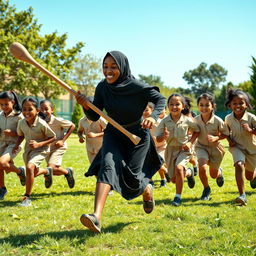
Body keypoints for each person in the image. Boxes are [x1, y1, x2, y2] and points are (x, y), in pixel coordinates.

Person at [75, 51, 166, 233]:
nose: (108, 70)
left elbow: (160, 99)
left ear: (122, 67)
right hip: (114, 134)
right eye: (105, 66)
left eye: (113, 67)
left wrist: (154, 117)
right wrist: (85, 106)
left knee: (133, 179)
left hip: (137, 136)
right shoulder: (102, 87)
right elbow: (95, 114)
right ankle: (96, 217)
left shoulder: (136, 86)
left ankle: (147, 188)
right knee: (107, 166)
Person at [156, 93, 199, 206]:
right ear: (168, 106)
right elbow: (159, 139)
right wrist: (164, 136)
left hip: (183, 149)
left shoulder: (187, 120)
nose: (174, 107)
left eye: (177, 104)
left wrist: (190, 142)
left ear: (183, 106)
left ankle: (177, 197)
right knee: (174, 179)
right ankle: (189, 173)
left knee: (179, 168)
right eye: (171, 104)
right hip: (170, 150)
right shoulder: (164, 121)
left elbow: (197, 131)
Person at [13, 97, 56, 206]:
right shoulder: (21, 122)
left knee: (29, 168)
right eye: (24, 109)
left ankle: (27, 197)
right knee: (32, 172)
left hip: (42, 149)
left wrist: (39, 144)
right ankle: (47, 171)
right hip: (29, 150)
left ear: (37, 110)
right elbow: (20, 135)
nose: (26, 112)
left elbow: (53, 137)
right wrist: (16, 145)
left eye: (30, 109)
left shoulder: (41, 123)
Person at [195, 93, 229, 201]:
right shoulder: (195, 120)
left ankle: (219, 173)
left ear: (212, 106)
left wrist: (216, 138)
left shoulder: (218, 120)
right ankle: (206, 189)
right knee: (202, 167)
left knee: (213, 175)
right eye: (201, 105)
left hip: (215, 149)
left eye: (207, 105)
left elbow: (226, 134)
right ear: (198, 106)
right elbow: (191, 132)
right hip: (201, 147)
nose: (204, 107)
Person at [225, 89, 256, 206]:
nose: (238, 105)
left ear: (247, 104)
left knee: (249, 176)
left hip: (252, 150)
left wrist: (251, 130)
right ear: (230, 105)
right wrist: (229, 140)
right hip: (237, 147)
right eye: (235, 103)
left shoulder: (252, 118)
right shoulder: (228, 118)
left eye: (241, 103)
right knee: (239, 165)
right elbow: (225, 132)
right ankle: (242, 195)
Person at [40, 100, 75, 188]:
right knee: (54, 171)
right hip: (48, 148)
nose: (44, 111)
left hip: (59, 147)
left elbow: (72, 126)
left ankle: (47, 178)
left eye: (46, 109)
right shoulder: (40, 121)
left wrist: (62, 140)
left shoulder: (57, 120)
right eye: (41, 109)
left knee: (50, 168)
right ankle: (68, 172)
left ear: (52, 110)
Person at [0, 91, 26, 200]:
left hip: (14, 143)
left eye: (6, 104)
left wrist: (13, 133)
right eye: (1, 104)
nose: (4, 107)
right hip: (1, 142)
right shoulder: (0, 115)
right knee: (0, 166)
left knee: (2, 162)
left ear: (13, 102)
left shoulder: (19, 116)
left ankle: (20, 172)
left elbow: (24, 133)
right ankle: (2, 189)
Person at [143, 103, 169, 187]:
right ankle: (150, 181)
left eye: (146, 110)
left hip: (162, 147)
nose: (144, 112)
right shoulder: (140, 122)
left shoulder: (159, 122)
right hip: (149, 148)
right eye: (142, 110)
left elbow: (165, 134)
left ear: (152, 111)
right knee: (146, 164)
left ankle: (164, 177)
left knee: (158, 163)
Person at [77, 97, 107, 164]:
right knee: (94, 169)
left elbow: (108, 131)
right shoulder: (82, 121)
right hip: (90, 149)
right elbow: (79, 131)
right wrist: (81, 137)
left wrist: (95, 135)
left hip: (101, 148)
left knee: (102, 168)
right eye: (85, 107)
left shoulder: (100, 119)